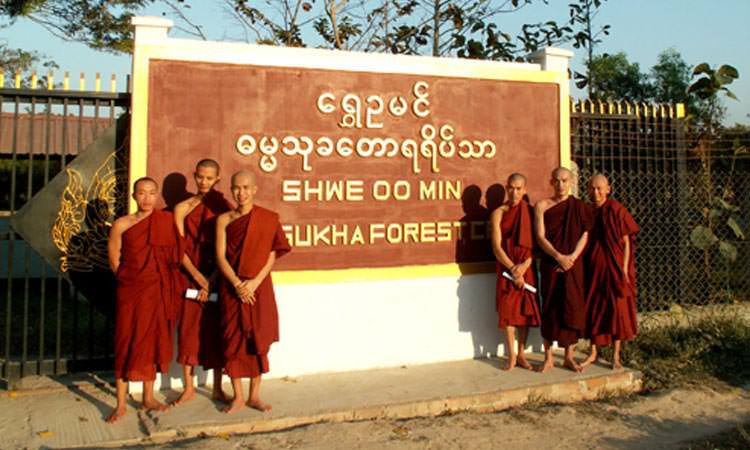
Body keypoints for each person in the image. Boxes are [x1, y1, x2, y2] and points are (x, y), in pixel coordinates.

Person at [106, 177, 182, 423]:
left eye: (151, 193)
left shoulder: (165, 221)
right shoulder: (122, 224)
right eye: (142, 193)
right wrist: (129, 280)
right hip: (132, 291)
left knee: (152, 340)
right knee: (126, 341)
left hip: (156, 290)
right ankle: (120, 403)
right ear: (133, 196)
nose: (147, 198)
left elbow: (175, 255)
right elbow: (114, 258)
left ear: (157, 195)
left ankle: (148, 397)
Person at [215, 170, 291, 413]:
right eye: (237, 188)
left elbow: (272, 253)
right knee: (233, 341)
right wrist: (238, 284)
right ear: (231, 188)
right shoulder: (224, 220)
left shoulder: (267, 218)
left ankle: (254, 396)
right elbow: (220, 256)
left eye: (246, 188)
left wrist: (254, 282)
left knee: (258, 339)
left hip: (259, 288)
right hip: (232, 288)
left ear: (255, 189)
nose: (241, 193)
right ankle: (238, 396)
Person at [172, 159, 233, 405]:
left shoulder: (224, 207)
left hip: (217, 276)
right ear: (194, 176)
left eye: (210, 178)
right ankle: (188, 388)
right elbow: (178, 246)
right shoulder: (182, 208)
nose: (204, 182)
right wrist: (197, 277)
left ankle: (217, 388)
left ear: (217, 179)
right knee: (188, 331)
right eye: (200, 177)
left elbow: (228, 249)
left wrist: (212, 278)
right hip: (189, 275)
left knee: (215, 332)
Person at [535, 167, 593, 373]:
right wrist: (559, 257)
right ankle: (548, 357)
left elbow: (584, 235)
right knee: (550, 306)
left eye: (565, 181)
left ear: (571, 182)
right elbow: (540, 237)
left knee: (572, 306)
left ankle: (569, 356)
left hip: (573, 264)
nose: (561, 185)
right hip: (552, 263)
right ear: (551, 182)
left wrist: (572, 258)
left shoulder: (579, 207)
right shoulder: (542, 205)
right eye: (557, 181)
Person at [581, 174, 640, 370]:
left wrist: (623, 269)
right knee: (595, 307)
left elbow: (626, 242)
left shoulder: (616, 210)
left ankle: (616, 356)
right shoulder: (588, 211)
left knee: (617, 310)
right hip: (594, 267)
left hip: (614, 268)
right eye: (592, 188)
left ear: (608, 189)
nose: (596, 193)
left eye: (599, 188)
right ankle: (594, 352)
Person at [490, 173, 541, 371]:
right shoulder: (498, 213)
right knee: (508, 312)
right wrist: (512, 269)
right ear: (506, 187)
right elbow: (496, 246)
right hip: (506, 268)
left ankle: (521, 354)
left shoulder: (529, 211)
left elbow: (535, 246)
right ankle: (511, 355)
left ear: (524, 190)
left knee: (524, 312)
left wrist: (524, 267)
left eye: (519, 188)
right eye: (511, 187)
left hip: (525, 268)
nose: (515, 192)